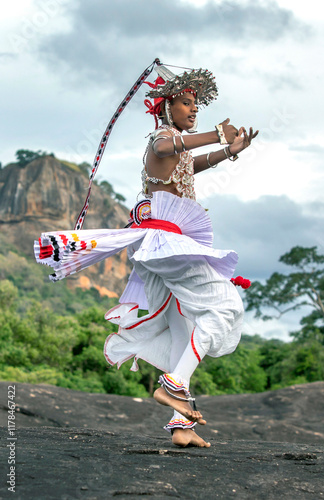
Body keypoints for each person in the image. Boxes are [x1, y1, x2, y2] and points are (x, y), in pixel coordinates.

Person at [34, 63, 258, 448]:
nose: (193, 110)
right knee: (224, 307)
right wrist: (215, 133)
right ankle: (172, 386)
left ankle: (180, 425)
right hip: (166, 244)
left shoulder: (178, 149)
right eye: (186, 103)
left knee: (182, 331)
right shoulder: (161, 140)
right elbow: (169, 148)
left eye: (196, 106)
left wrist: (227, 151)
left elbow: (191, 164)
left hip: (165, 245)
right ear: (167, 107)